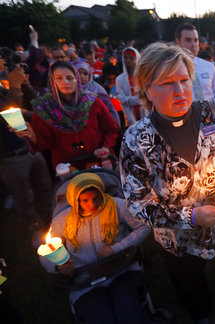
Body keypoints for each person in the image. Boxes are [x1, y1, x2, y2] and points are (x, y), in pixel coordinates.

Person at [119, 43, 215, 323]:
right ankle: (200, 311)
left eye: (184, 80)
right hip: (177, 236)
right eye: (166, 83)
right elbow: (138, 203)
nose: (179, 90)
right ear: (146, 89)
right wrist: (192, 215)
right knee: (186, 275)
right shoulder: (136, 139)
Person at [39, 173, 151, 324]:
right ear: (75, 200)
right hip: (85, 280)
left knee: (129, 315)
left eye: (96, 198)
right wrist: (58, 266)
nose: (92, 205)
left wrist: (116, 248)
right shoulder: (62, 220)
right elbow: (47, 250)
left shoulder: (117, 206)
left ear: (102, 192)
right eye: (85, 200)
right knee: (101, 318)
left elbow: (143, 226)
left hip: (121, 270)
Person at [16, 61, 118, 169]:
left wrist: (106, 147)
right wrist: (32, 135)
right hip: (67, 167)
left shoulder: (92, 102)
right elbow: (44, 143)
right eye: (59, 78)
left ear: (76, 79)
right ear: (52, 81)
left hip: (99, 162)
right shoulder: (45, 108)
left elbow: (111, 129)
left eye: (69, 78)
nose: (65, 82)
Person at [0, 64, 52, 243]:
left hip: (30, 148)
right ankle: (36, 229)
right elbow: (9, 116)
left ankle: (51, 223)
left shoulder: (3, 87)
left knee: (44, 188)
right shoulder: (9, 88)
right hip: (10, 157)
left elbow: (37, 106)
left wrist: (24, 85)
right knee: (23, 197)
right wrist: (14, 86)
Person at [175, 23, 215, 103]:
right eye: (188, 40)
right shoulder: (171, 69)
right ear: (178, 42)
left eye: (196, 40)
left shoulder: (209, 66)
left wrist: (211, 108)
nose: (193, 44)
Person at [74, 61, 121, 127]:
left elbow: (109, 111)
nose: (81, 76)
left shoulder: (98, 90)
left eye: (85, 73)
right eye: (78, 73)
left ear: (89, 75)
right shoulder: (69, 89)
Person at [116, 47, 143, 126]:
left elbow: (144, 99)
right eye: (125, 57)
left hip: (146, 117)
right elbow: (120, 100)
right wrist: (137, 99)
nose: (128, 60)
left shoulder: (143, 77)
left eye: (131, 58)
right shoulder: (119, 79)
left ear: (137, 59)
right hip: (129, 119)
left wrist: (124, 99)